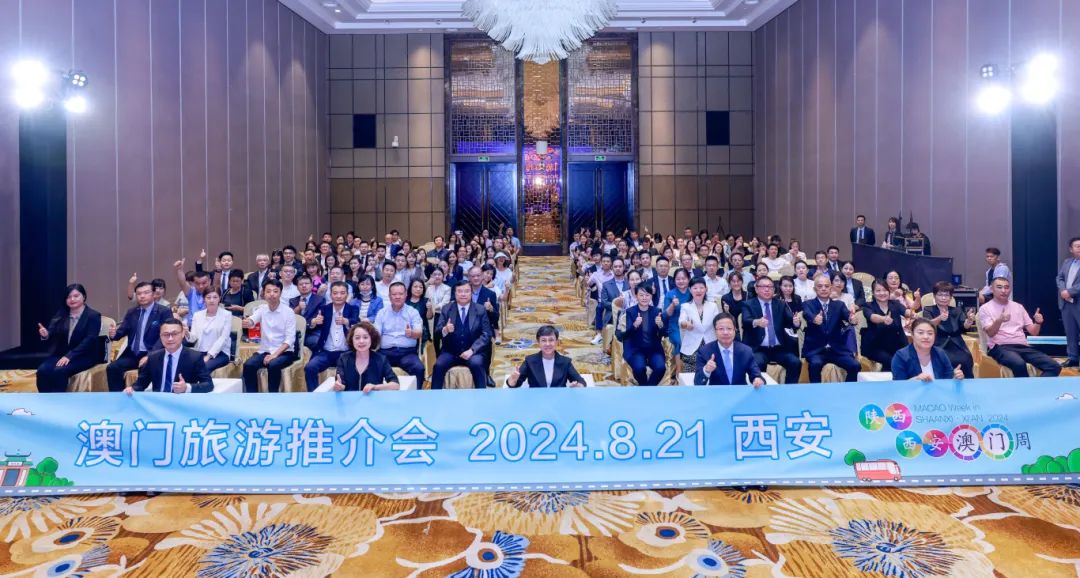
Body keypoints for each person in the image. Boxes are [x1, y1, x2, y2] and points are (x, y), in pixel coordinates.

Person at [978, 277, 1061, 377]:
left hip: (1022, 346)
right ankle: (1025, 387)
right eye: (999, 287)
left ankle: (1036, 386)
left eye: (1006, 287)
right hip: (999, 347)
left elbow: (1034, 332)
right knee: (1019, 364)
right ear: (992, 289)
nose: (1003, 290)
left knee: (1054, 366)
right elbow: (990, 333)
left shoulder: (1018, 307)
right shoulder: (985, 308)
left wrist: (1038, 322)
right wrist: (999, 320)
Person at [35, 284, 105, 393]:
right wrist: (46, 335)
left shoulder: (93, 316)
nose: (72, 299)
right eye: (69, 297)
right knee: (42, 371)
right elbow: (52, 333)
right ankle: (45, 401)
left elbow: (90, 339)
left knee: (59, 371)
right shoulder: (62, 314)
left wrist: (70, 356)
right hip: (62, 355)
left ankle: (59, 401)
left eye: (76, 296)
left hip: (83, 356)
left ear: (84, 297)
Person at [105, 281, 172, 391]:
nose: (142, 296)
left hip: (153, 353)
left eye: (146, 292)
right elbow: (122, 331)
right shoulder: (132, 312)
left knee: (145, 369)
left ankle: (138, 398)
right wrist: (114, 334)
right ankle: (118, 397)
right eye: (139, 293)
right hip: (132, 354)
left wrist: (150, 356)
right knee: (112, 368)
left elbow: (164, 337)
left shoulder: (163, 312)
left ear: (153, 294)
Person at [123, 318, 214, 394]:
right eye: (166, 335)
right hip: (158, 403)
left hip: (182, 403)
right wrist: (132, 389)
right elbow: (141, 383)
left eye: (174, 334)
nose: (170, 338)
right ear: (160, 336)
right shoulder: (153, 357)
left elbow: (208, 385)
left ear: (182, 334)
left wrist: (187, 387)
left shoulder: (194, 357)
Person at [740, 276, 802, 383]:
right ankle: (761, 390)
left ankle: (789, 390)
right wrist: (756, 322)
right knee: (757, 363)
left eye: (770, 287)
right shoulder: (748, 304)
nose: (767, 289)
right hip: (758, 349)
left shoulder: (780, 304)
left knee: (795, 362)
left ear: (774, 289)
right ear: (756, 289)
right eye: (763, 286)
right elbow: (745, 321)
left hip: (779, 348)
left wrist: (796, 323)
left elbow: (790, 322)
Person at [241, 280, 299, 393]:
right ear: (264, 293)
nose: (272, 294)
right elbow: (252, 320)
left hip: (284, 352)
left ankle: (273, 396)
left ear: (280, 293)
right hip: (265, 351)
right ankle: (252, 397)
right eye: (268, 291)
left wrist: (274, 355)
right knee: (248, 365)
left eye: (275, 291)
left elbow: (290, 339)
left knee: (274, 365)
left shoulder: (288, 312)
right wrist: (248, 322)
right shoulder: (262, 309)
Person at [433, 282, 493, 389]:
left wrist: (472, 350)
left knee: (477, 364)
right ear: (455, 293)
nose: (463, 294)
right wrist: (445, 329)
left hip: (473, 352)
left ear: (471, 293)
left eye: (466, 291)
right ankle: (434, 396)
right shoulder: (446, 309)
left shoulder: (480, 309)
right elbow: (437, 332)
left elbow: (487, 334)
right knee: (438, 365)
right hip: (450, 352)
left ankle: (482, 395)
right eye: (460, 291)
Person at [802, 273, 861, 382]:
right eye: (820, 286)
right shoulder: (808, 304)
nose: (823, 289)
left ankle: (847, 390)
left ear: (831, 288)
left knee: (855, 366)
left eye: (826, 286)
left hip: (836, 349)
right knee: (815, 365)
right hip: (816, 350)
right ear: (815, 289)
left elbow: (848, 316)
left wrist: (852, 319)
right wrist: (814, 319)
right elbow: (807, 314)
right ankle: (815, 391)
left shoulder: (839, 305)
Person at [304, 281, 360, 391]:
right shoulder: (324, 309)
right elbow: (310, 324)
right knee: (310, 368)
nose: (338, 296)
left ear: (347, 295)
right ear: (330, 295)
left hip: (346, 352)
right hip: (326, 352)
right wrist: (314, 322)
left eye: (342, 293)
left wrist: (347, 321)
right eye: (335, 293)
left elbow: (356, 322)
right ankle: (314, 396)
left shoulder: (353, 309)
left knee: (346, 373)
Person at [373, 282, 426, 387]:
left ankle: (417, 395)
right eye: (394, 294)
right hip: (385, 353)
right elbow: (376, 333)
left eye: (401, 294)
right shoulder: (382, 313)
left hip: (407, 353)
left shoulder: (413, 312)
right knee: (372, 366)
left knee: (419, 368)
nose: (397, 297)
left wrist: (411, 333)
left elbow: (419, 332)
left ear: (406, 295)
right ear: (389, 296)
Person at [923, 281, 976, 378]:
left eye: (947, 295)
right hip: (938, 344)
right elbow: (927, 326)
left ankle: (966, 384)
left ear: (951, 297)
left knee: (966, 359)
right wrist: (939, 318)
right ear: (934, 296)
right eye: (940, 295)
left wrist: (969, 321)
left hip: (957, 344)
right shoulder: (928, 309)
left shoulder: (957, 310)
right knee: (946, 360)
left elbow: (964, 327)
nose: (943, 298)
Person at [695, 313, 764, 386]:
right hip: (716, 392)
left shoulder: (746, 351)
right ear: (715, 331)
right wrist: (706, 370)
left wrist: (757, 380)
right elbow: (698, 382)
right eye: (721, 329)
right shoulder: (704, 351)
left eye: (729, 329)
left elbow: (756, 374)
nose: (725, 333)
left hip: (740, 391)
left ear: (735, 330)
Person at [506, 325, 587, 388]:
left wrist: (578, 386)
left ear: (557, 342)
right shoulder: (530, 361)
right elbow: (514, 384)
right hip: (536, 400)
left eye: (551, 340)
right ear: (538, 342)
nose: (547, 344)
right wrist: (513, 379)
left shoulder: (565, 362)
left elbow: (581, 381)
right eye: (543, 340)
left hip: (559, 400)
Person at [618, 284, 667, 385]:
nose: (644, 298)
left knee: (661, 368)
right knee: (639, 368)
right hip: (636, 349)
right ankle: (644, 387)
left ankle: (647, 389)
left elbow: (664, 333)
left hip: (653, 349)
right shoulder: (630, 312)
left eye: (647, 295)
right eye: (641, 295)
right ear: (636, 296)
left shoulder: (657, 311)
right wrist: (635, 325)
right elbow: (624, 335)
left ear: (651, 296)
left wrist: (660, 325)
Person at [331, 321, 400, 392]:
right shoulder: (344, 358)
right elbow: (340, 384)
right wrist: (339, 387)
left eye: (365, 337)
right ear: (352, 340)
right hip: (349, 398)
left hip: (373, 398)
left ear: (372, 339)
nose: (361, 341)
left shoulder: (381, 359)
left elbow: (396, 385)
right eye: (357, 338)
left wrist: (375, 387)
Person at [891, 319, 965, 381]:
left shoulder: (940, 353)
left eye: (930, 333)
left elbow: (947, 380)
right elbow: (898, 386)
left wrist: (955, 378)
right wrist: (916, 379)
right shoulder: (901, 356)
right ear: (912, 335)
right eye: (920, 333)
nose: (926, 337)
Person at [861, 279, 909, 371]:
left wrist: (913, 314)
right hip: (875, 346)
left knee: (908, 360)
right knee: (892, 362)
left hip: (896, 344)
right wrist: (883, 319)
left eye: (884, 290)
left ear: (889, 291)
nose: (882, 293)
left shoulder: (895, 304)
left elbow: (906, 312)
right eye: (878, 291)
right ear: (873, 293)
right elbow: (872, 317)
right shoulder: (868, 306)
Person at [185, 289, 234, 374]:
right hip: (200, 351)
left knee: (204, 368)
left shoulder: (227, 315)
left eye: (215, 297)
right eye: (208, 297)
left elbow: (223, 339)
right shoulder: (197, 315)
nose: (212, 300)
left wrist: (208, 356)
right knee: (186, 366)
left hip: (220, 353)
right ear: (204, 299)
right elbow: (194, 338)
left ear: (219, 298)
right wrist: (187, 333)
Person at [678, 278, 720, 373]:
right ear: (690, 290)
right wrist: (686, 324)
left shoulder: (713, 306)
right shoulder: (685, 306)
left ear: (706, 289)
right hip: (692, 346)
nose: (698, 291)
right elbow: (681, 322)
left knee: (712, 364)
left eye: (701, 288)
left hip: (710, 343)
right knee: (694, 365)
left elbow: (718, 323)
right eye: (695, 288)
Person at [1056, 237, 1080, 368]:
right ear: (1071, 249)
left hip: (1077, 301)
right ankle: (1073, 358)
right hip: (1066, 303)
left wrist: (1070, 291)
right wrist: (1063, 290)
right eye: (1077, 246)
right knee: (1070, 332)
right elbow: (1059, 278)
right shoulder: (1067, 262)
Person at [173, 257, 211, 325]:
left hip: (209, 325)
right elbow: (182, 283)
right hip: (192, 326)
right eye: (197, 283)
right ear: (193, 283)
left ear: (209, 281)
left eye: (204, 283)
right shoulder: (191, 292)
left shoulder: (213, 293)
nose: (201, 286)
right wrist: (179, 270)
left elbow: (217, 282)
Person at [600, 258, 630, 328]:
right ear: (612, 268)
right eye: (615, 267)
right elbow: (604, 302)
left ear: (624, 267)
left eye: (620, 266)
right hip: (612, 316)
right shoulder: (606, 285)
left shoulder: (630, 283)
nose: (618, 268)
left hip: (628, 314)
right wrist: (616, 305)